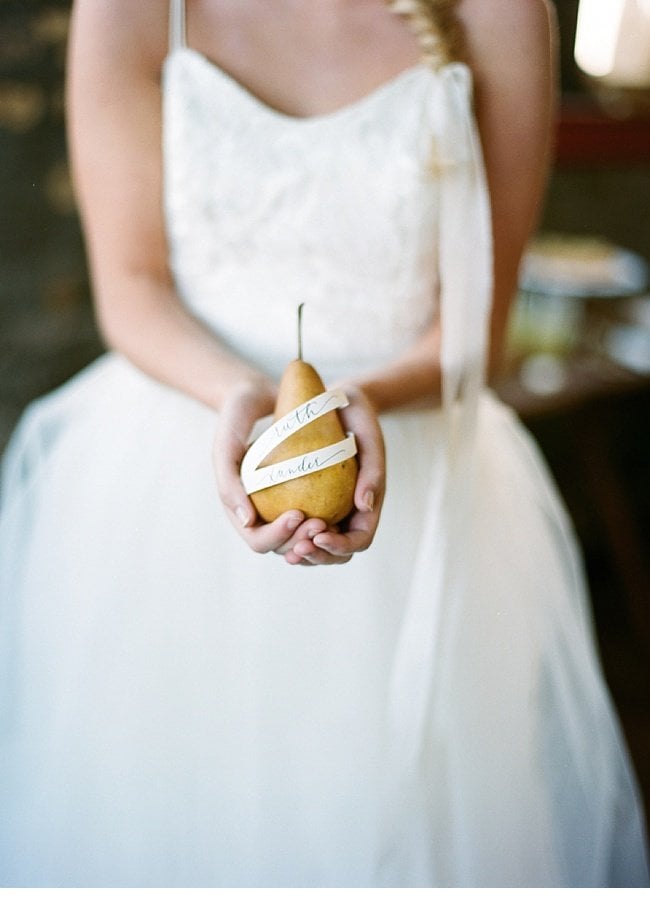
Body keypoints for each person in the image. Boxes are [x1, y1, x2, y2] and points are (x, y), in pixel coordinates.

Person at [0, 0, 647, 887]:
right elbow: (132, 285)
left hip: (412, 476)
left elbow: (477, 327)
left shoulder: (502, 15)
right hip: (167, 473)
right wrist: (239, 397)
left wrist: (362, 402)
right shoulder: (132, 10)